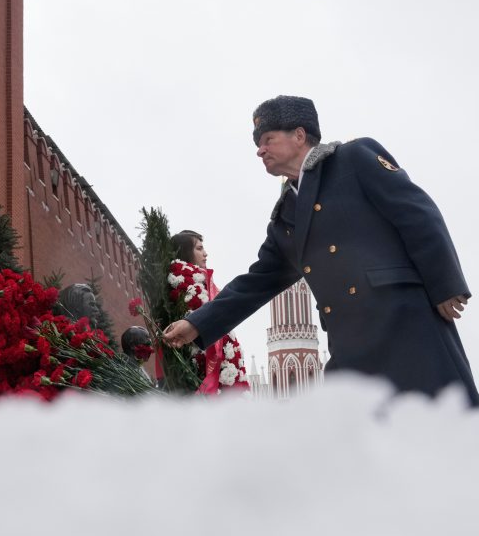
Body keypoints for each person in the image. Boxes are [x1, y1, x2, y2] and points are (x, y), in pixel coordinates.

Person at [164, 95, 477, 404]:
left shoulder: (353, 159)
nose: (260, 151)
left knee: (444, 430)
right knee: (366, 444)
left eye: (268, 139)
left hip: (405, 322)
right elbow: (258, 281)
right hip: (350, 344)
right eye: (257, 144)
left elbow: (417, 214)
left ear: (299, 135)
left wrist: (445, 286)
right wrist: (198, 323)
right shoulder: (285, 216)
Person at [168, 230, 248, 393]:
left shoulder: (205, 283)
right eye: (199, 248)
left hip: (222, 370)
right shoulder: (184, 285)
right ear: (185, 251)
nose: (205, 253)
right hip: (201, 372)